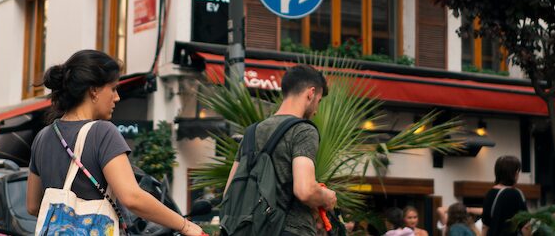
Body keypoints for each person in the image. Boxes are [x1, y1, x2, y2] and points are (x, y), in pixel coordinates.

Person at [26, 50, 204, 236]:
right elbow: (132, 197)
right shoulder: (102, 132)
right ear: (93, 90)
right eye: (113, 88)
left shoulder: (43, 137)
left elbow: (32, 206)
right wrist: (185, 225)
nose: (117, 97)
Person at [224, 64, 337, 236]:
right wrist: (327, 196)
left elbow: (229, 192)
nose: (316, 111)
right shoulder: (303, 130)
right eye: (319, 101)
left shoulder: (252, 132)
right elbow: (305, 190)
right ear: (311, 93)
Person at [481, 156, 530, 236]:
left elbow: (485, 226)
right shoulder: (516, 194)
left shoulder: (490, 193)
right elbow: (525, 226)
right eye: (517, 171)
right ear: (514, 173)